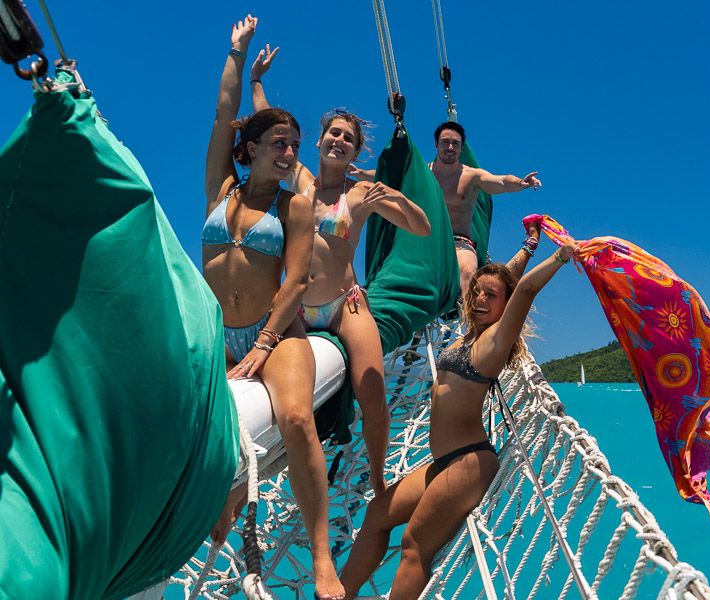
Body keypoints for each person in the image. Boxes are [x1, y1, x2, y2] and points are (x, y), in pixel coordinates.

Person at [339, 235, 577, 600]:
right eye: (477, 293)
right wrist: (528, 247)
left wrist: (560, 255)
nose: (481, 300)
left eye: (490, 296)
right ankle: (342, 594)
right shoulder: (470, 335)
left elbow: (523, 289)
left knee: (414, 544)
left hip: (469, 461)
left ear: (505, 305)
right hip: (443, 461)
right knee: (377, 514)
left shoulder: (496, 339)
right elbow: (508, 277)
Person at [202, 16, 343, 599]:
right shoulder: (221, 188)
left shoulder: (297, 206)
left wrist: (263, 345)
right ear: (253, 147)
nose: (290, 152)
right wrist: (236, 54)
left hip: (274, 331)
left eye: (294, 144)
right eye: (280, 143)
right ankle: (224, 498)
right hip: (215, 330)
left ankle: (320, 557)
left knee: (294, 418)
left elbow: (297, 279)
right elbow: (221, 116)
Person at [249, 46, 432, 496]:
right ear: (319, 140)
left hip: (342, 304)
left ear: (355, 149)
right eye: (333, 133)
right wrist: (255, 80)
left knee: (372, 391)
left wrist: (397, 196)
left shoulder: (362, 193)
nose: (339, 141)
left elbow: (421, 228)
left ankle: (376, 475)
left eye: (347, 138)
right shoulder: (301, 181)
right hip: (295, 305)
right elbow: (267, 121)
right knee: (273, 394)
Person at [353, 122, 542, 296]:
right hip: (426, 240)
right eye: (445, 142)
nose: (450, 147)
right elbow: (388, 178)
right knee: (404, 275)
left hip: (460, 243)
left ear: (461, 147)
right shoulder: (422, 174)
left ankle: (470, 325)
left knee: (468, 271)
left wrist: (520, 182)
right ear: (436, 145)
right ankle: (415, 326)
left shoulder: (472, 176)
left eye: (455, 143)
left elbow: (500, 181)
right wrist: (360, 174)